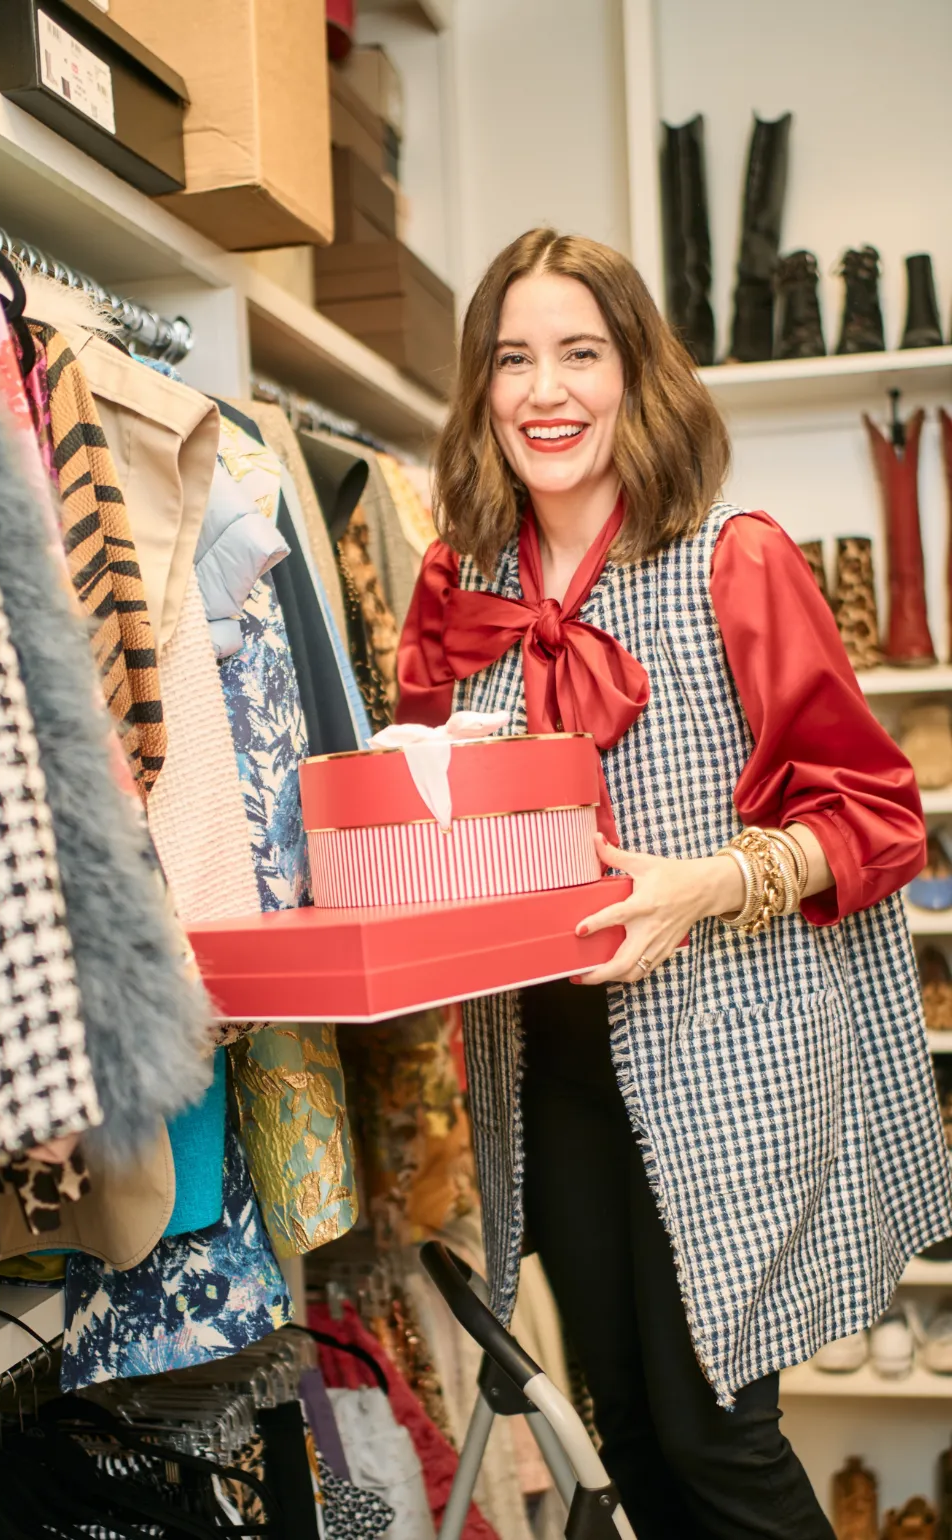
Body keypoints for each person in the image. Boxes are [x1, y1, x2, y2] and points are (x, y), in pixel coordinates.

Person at [396, 227, 952, 1540]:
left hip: (730, 1061)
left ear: (637, 373)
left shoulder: (732, 559)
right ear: (480, 389)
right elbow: (419, 798)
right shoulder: (454, 585)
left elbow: (880, 823)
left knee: (717, 1437)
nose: (547, 391)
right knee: (625, 1431)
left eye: (581, 353)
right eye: (513, 358)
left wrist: (702, 885)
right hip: (552, 1076)